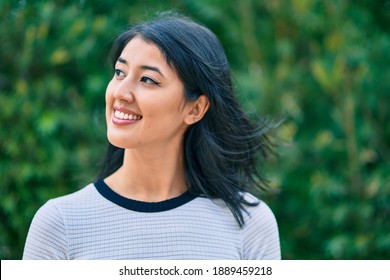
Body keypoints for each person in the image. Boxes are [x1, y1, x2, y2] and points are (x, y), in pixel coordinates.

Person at [23, 12, 281, 260]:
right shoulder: (60, 224)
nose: (121, 93)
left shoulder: (249, 224)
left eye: (147, 79)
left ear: (195, 109)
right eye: (119, 73)